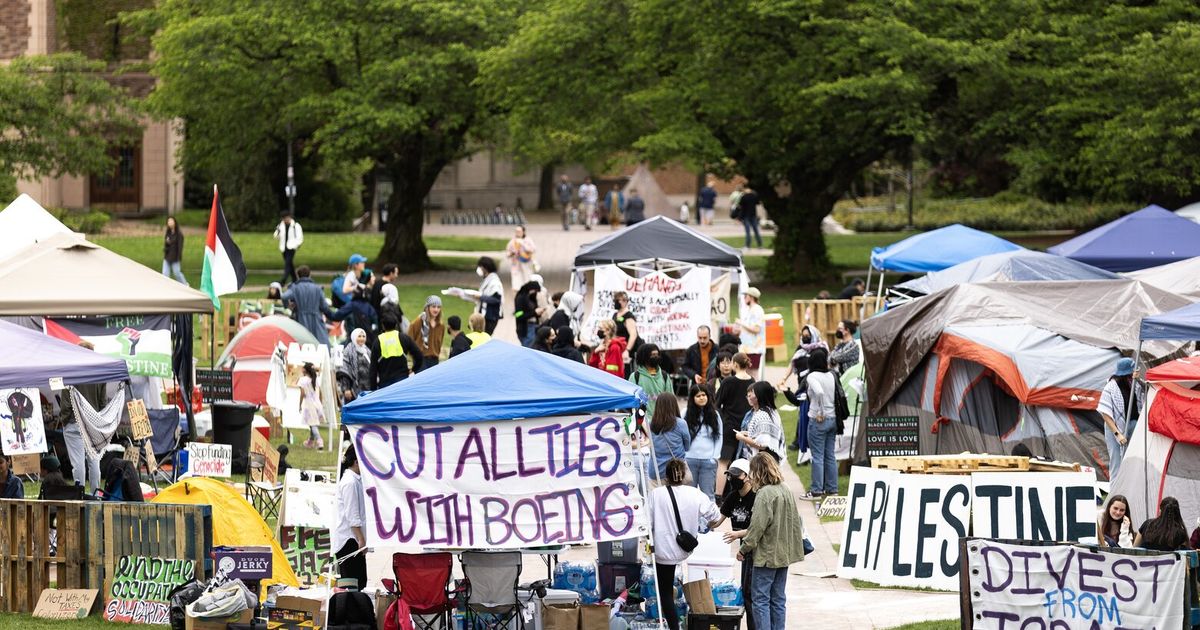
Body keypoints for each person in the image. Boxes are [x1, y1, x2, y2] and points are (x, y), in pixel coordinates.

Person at [725, 453, 806, 630]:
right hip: (783, 553)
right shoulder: (785, 489)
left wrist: (743, 549)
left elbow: (757, 528)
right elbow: (795, 522)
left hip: (766, 555)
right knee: (778, 599)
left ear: (758, 471)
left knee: (760, 599)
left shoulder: (764, 494)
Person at [648, 459, 721, 630]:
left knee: (664, 591)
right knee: (671, 586)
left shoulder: (656, 494)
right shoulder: (695, 494)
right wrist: (706, 526)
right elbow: (715, 516)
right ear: (685, 474)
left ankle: (674, 626)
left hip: (662, 550)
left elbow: (647, 522)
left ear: (666, 476)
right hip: (684, 548)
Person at [719, 459, 756, 630]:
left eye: (736, 475)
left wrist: (737, 534)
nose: (732, 479)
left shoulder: (756, 497)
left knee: (753, 594)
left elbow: (759, 529)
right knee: (746, 592)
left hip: (757, 548)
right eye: (729, 475)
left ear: (747, 476)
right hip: (745, 548)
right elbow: (716, 521)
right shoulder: (733, 497)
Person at [714, 353, 754, 495]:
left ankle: (719, 495)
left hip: (729, 426)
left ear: (735, 365)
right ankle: (744, 493)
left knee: (723, 461)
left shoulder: (728, 382)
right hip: (748, 428)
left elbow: (717, 404)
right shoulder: (753, 382)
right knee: (745, 463)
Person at [804, 352, 838, 499]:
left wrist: (820, 411)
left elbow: (819, 392)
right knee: (830, 455)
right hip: (833, 419)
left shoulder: (812, 376)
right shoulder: (831, 375)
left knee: (817, 456)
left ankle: (817, 490)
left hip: (819, 420)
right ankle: (832, 489)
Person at [334, 446, 367, 591]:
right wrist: (361, 539)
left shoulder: (355, 481)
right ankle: (349, 612)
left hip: (353, 538)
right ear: (356, 462)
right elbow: (352, 514)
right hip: (349, 539)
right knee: (351, 584)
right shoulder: (350, 482)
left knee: (359, 581)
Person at [1100, 357, 1137, 480]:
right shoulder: (1110, 388)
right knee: (1116, 461)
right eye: (1132, 370)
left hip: (1132, 425)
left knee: (1131, 461)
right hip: (1115, 428)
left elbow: (1145, 390)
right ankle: (1114, 493)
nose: (1134, 372)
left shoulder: (1133, 383)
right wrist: (1118, 434)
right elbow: (1105, 414)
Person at [282, 266, 336, 346]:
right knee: (319, 344)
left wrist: (288, 306)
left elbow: (284, 296)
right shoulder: (318, 289)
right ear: (309, 275)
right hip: (316, 319)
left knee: (302, 344)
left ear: (298, 276)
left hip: (300, 319)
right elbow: (324, 306)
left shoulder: (295, 288)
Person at [684, 384, 722, 499]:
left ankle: (709, 518)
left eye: (704, 395)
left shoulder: (715, 415)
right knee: (689, 496)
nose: (701, 398)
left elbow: (719, 436)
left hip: (708, 461)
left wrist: (715, 457)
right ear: (692, 398)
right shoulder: (685, 413)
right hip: (690, 459)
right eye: (698, 396)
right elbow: (679, 435)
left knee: (708, 495)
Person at [644, 393, 691, 485]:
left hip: (656, 471)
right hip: (676, 471)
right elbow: (687, 447)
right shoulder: (681, 424)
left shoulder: (651, 424)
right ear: (674, 405)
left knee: (659, 499)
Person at [737, 381, 786, 463]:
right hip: (771, 459)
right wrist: (747, 433)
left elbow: (762, 444)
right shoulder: (772, 412)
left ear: (760, 396)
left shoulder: (762, 416)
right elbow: (765, 434)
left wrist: (742, 438)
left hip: (763, 462)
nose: (749, 396)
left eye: (752, 393)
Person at [370, 315, 422, 389]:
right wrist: (413, 369)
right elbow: (419, 356)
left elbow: (373, 368)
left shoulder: (377, 341)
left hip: (385, 383)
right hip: (402, 381)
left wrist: (373, 389)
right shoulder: (404, 338)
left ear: (383, 326)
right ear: (396, 325)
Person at [629, 344, 672, 417]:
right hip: (642, 422)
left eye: (657, 354)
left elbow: (671, 400)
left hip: (663, 421)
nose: (656, 357)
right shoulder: (635, 377)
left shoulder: (665, 376)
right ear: (644, 357)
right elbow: (631, 400)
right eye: (653, 355)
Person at [467, 257, 503, 335]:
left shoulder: (494, 282)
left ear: (484, 268)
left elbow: (496, 299)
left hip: (490, 316)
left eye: (480, 267)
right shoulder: (487, 280)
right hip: (485, 315)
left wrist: (480, 297)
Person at [408, 296, 444, 373]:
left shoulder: (441, 325)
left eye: (438, 307)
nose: (436, 309)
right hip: (421, 359)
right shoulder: (419, 322)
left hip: (434, 359)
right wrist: (415, 355)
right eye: (433, 306)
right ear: (427, 307)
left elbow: (439, 343)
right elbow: (409, 339)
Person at [736, 288, 766, 378]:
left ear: (751, 297)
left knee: (752, 374)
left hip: (754, 349)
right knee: (746, 373)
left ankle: (756, 392)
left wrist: (741, 323)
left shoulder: (757, 310)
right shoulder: (750, 310)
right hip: (747, 349)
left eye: (746, 296)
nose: (744, 298)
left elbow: (757, 329)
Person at [337, 329, 372, 402]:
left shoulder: (367, 351)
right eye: (359, 336)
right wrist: (346, 389)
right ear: (354, 337)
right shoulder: (348, 351)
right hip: (353, 390)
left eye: (363, 336)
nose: (362, 338)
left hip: (368, 389)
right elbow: (344, 371)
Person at [299, 362, 325, 449]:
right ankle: (310, 441)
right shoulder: (315, 379)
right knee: (312, 423)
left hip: (309, 405)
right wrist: (320, 403)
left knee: (313, 425)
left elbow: (302, 393)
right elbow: (320, 392)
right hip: (317, 404)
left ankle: (319, 440)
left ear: (305, 370)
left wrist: (299, 404)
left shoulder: (303, 380)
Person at [273, 212, 303, 285]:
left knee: (287, 264)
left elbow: (300, 237)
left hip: (291, 247)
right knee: (290, 264)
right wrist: (278, 232)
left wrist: (296, 245)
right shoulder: (280, 226)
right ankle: (295, 279)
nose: (285, 220)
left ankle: (283, 280)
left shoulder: (295, 226)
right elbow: (276, 236)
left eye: (286, 218)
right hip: (283, 248)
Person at [505, 225, 537, 291]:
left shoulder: (528, 240)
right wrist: (512, 253)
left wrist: (523, 244)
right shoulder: (513, 241)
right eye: (516, 231)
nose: (517, 233)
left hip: (526, 263)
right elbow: (508, 253)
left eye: (519, 231)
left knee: (527, 279)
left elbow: (532, 249)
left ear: (523, 232)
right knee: (516, 281)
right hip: (516, 264)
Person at [514, 280, 544, 347]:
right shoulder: (521, 298)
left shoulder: (530, 297)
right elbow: (519, 315)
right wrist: (534, 313)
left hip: (533, 326)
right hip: (526, 328)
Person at [612, 291, 639, 360]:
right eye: (615, 300)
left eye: (617, 300)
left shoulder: (628, 316)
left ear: (625, 301)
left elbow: (633, 334)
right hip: (619, 348)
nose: (616, 302)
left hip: (629, 352)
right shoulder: (615, 315)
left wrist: (627, 350)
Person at [162, 216, 186, 284]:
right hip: (167, 257)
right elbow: (166, 245)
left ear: (175, 222)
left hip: (175, 257)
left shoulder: (179, 234)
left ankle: (185, 284)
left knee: (177, 273)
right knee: (164, 274)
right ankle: (166, 288)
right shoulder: (168, 233)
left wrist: (178, 257)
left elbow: (180, 247)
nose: (170, 223)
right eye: (168, 221)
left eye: (171, 221)